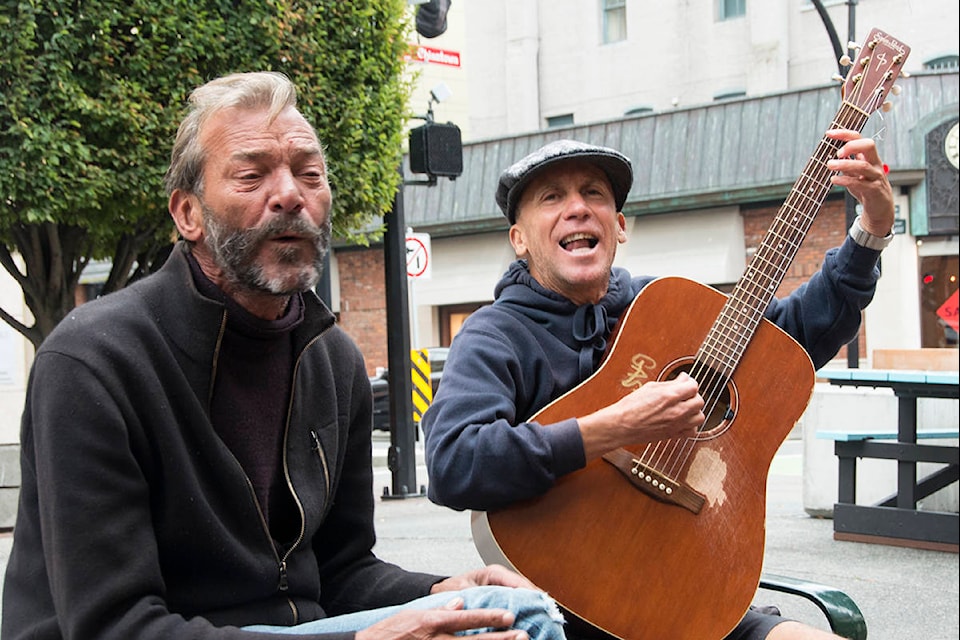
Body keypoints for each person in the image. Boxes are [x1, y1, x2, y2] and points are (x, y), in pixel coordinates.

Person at [1, 71, 567, 640]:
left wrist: (437, 593)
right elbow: (112, 627)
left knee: (517, 614)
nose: (291, 194)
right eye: (251, 175)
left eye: (309, 174)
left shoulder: (333, 359)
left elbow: (340, 570)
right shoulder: (94, 362)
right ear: (188, 214)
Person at [421, 137, 897, 640]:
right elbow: (454, 461)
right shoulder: (492, 333)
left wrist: (872, 231)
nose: (578, 208)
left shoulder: (666, 303)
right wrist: (612, 427)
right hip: (556, 608)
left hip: (689, 597)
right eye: (552, 198)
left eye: (594, 194)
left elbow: (791, 337)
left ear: (619, 226)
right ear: (519, 238)